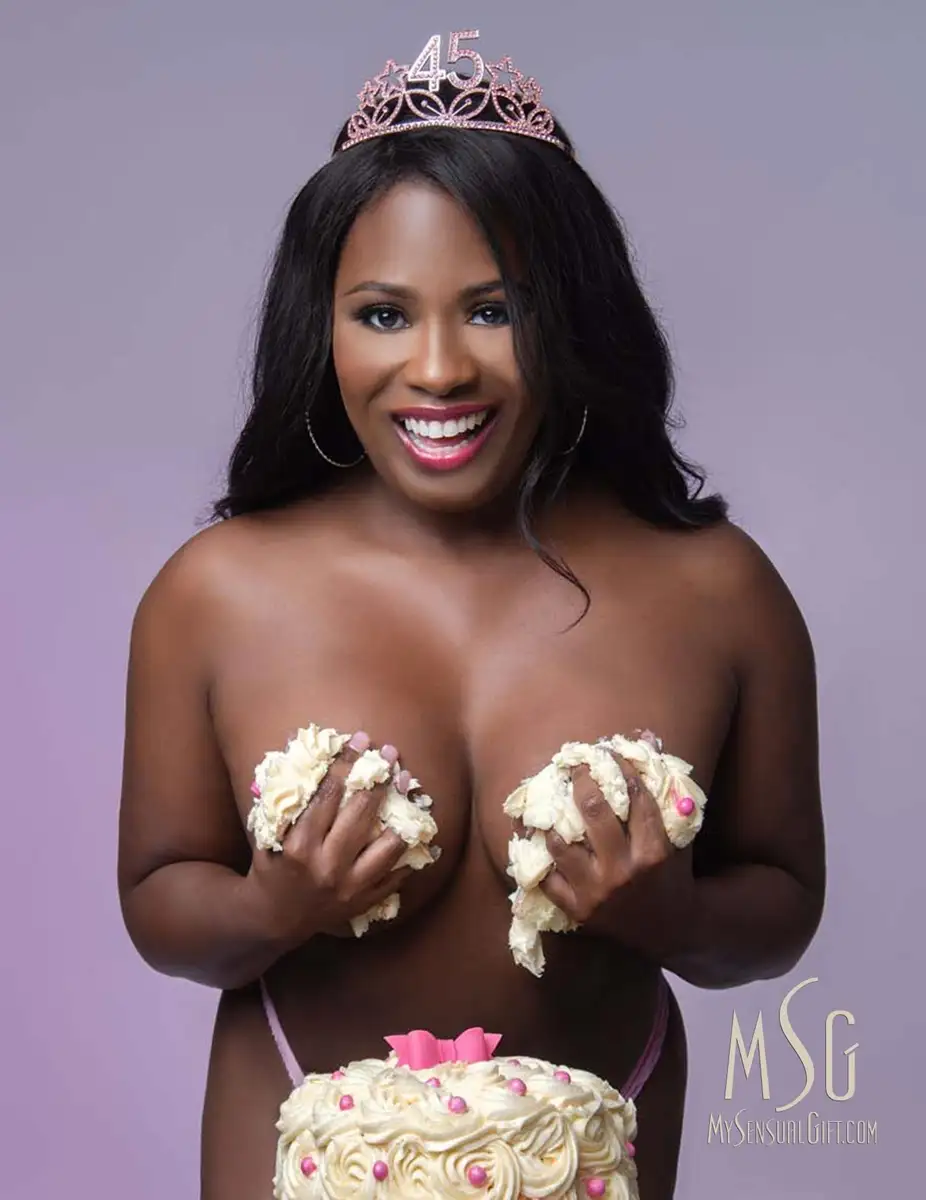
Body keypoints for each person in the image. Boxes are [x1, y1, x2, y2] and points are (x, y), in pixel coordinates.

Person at [117, 32, 825, 1200]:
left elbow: (782, 907)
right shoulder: (216, 591)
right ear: (320, 326)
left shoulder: (716, 589)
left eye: (493, 310)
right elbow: (157, 900)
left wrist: (673, 913)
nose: (439, 370)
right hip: (292, 1111)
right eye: (382, 316)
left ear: (573, 315)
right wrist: (270, 905)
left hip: (595, 1123)